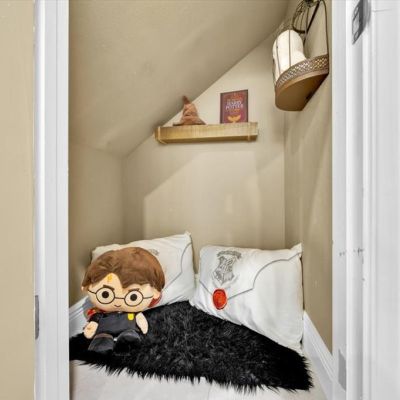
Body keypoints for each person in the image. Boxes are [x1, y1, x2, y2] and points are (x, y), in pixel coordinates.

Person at [81, 247, 165, 353]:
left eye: (133, 296)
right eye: (105, 294)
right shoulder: (100, 313)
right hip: (104, 330)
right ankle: (102, 341)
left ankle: (127, 339)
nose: (118, 303)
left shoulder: (134, 312)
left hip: (128, 329)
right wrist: (92, 326)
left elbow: (140, 319)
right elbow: (95, 319)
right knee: (101, 342)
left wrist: (142, 324)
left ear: (155, 293)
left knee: (129, 337)